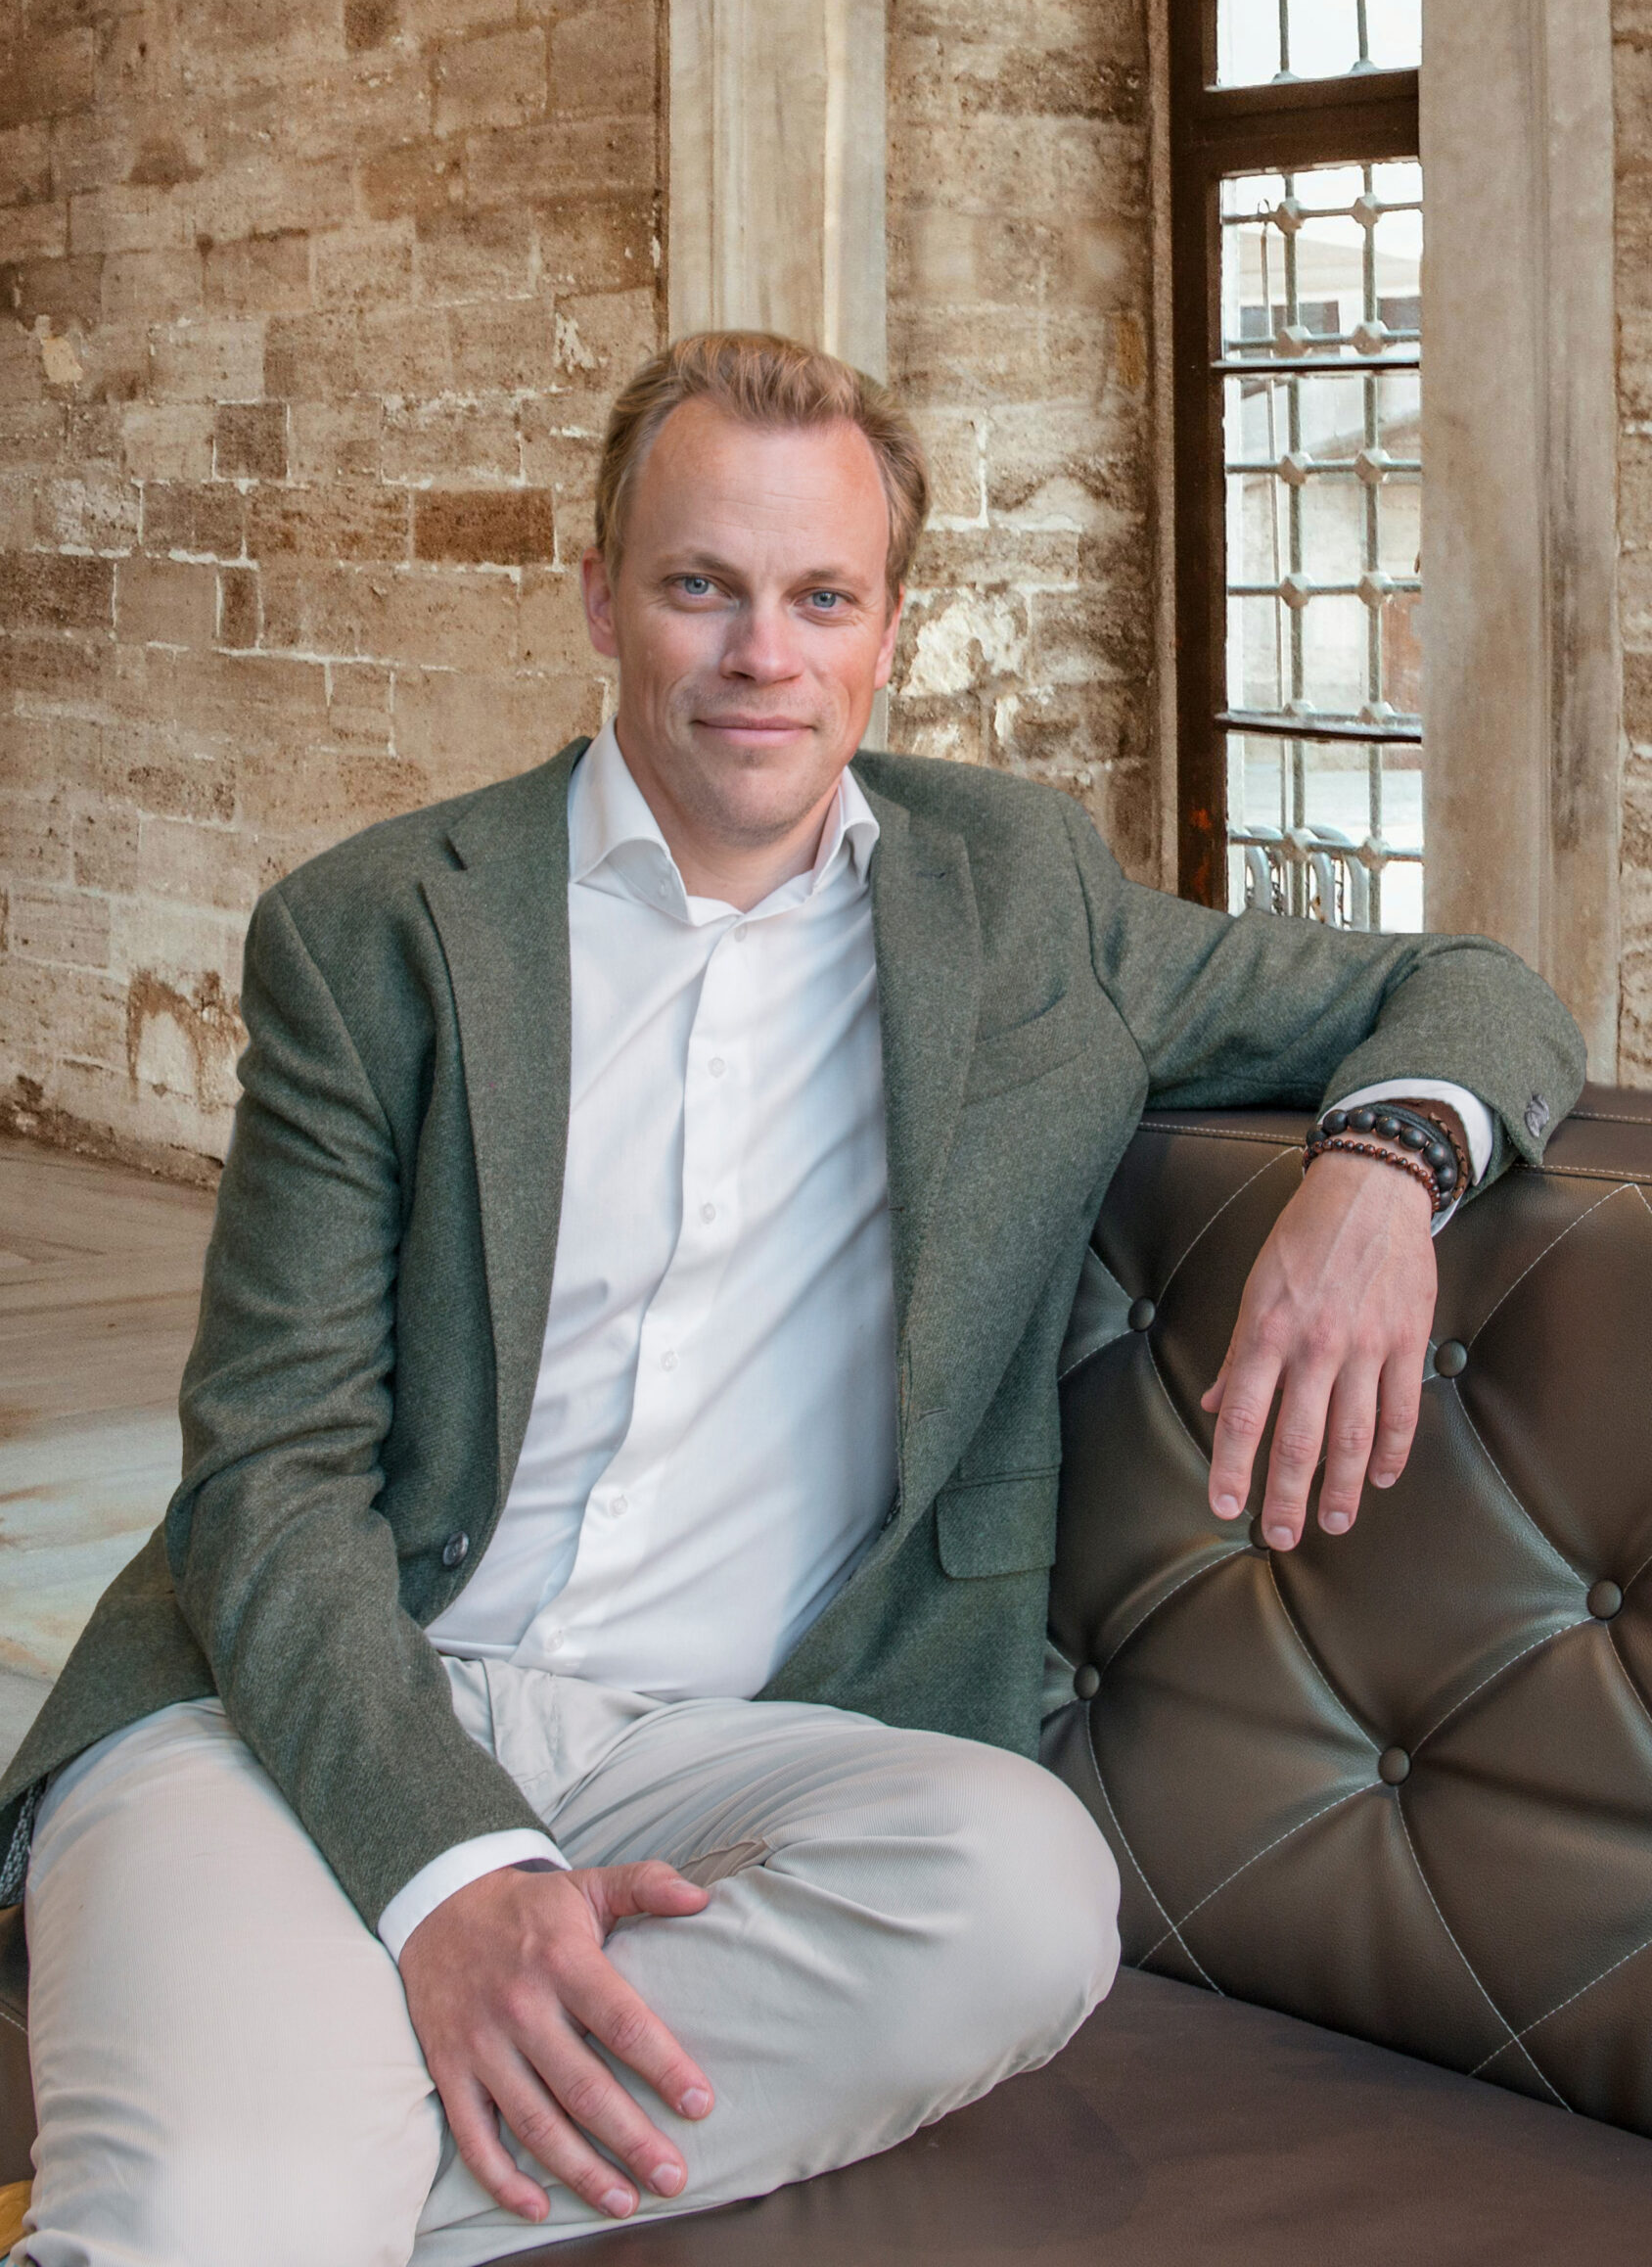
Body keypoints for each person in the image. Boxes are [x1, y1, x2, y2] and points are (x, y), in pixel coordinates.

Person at [2, 334, 1583, 2266]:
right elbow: (269, 1473)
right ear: (601, 597)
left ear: (890, 629)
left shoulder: (1020, 900)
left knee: (1020, 1894)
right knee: (208, 2211)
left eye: (822, 597)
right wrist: (449, 1867)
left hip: (721, 1755)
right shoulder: (380, 934)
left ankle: (315, 2170)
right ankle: (265, 2177)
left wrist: (1383, 1173)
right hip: (307, 1703)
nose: (766, 654)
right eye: (703, 586)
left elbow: (1469, 986)